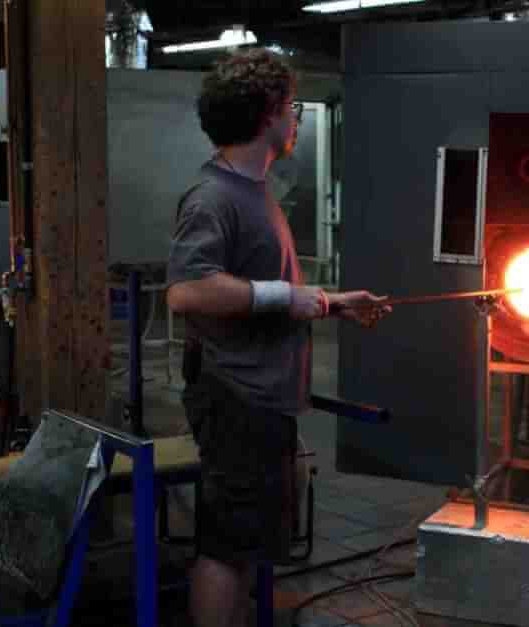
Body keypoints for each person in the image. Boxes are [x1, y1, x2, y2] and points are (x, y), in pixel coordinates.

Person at [166, 49, 390, 627]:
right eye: (291, 106)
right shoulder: (213, 196)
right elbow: (188, 292)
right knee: (226, 549)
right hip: (236, 397)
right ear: (268, 113)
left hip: (262, 399)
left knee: (246, 549)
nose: (297, 118)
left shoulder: (254, 189)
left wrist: (328, 302)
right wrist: (282, 297)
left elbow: (265, 289)